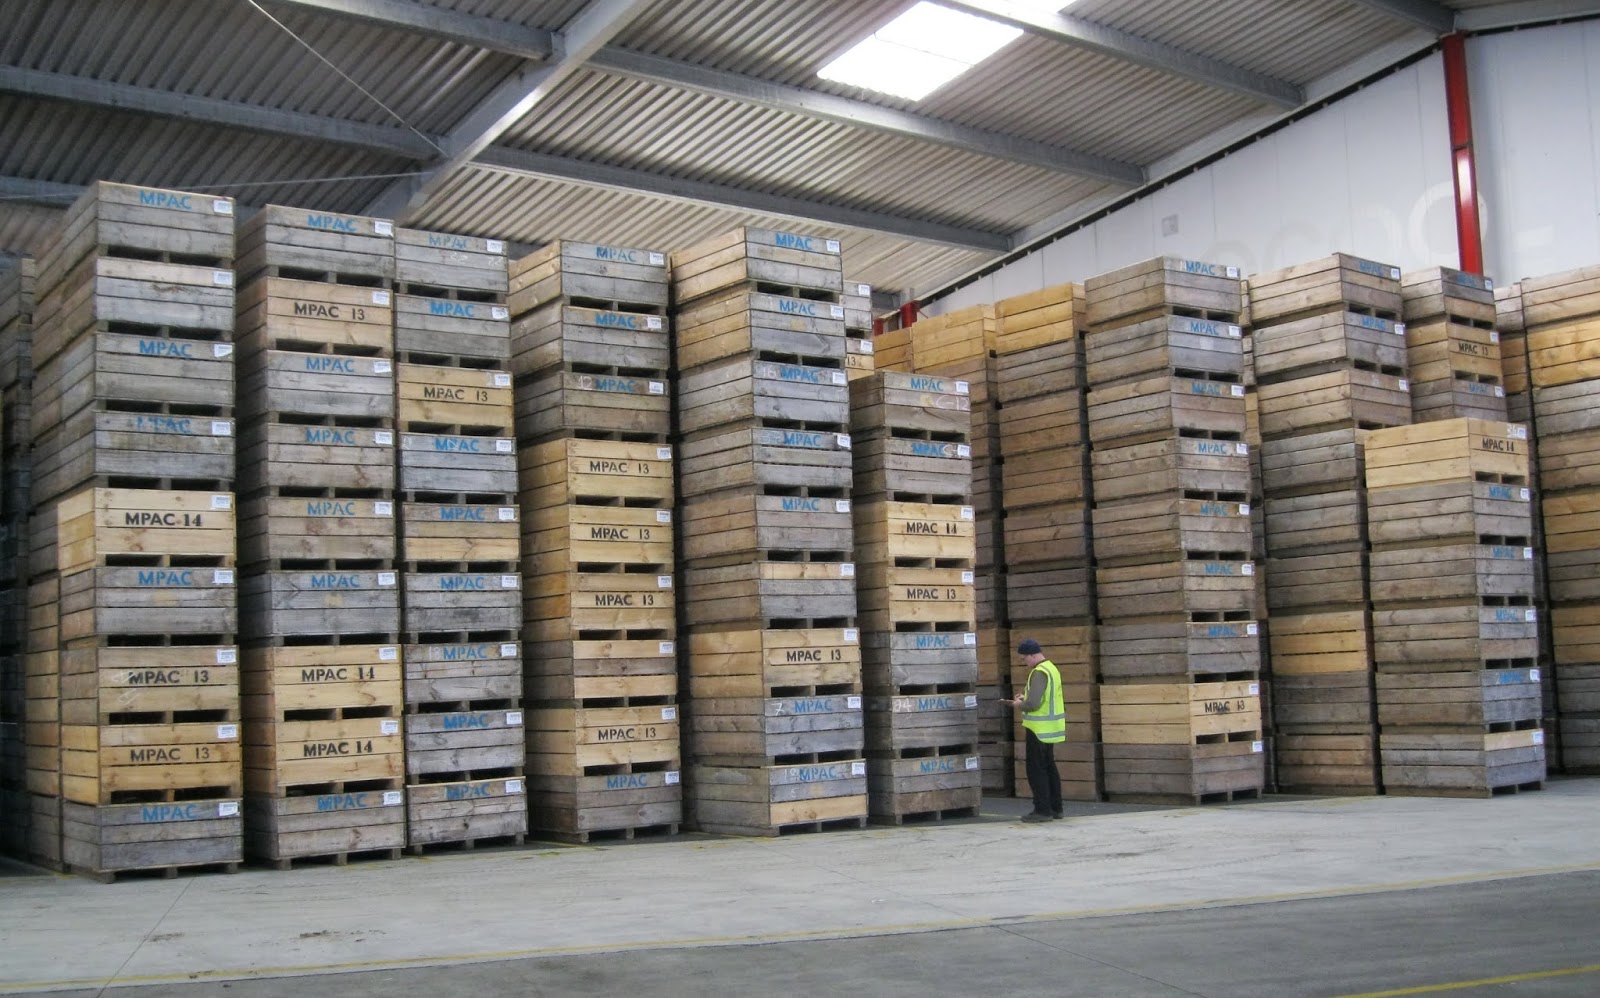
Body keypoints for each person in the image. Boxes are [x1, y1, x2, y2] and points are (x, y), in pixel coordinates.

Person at [1008, 638, 1064, 822]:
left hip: (1038, 729)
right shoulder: (1052, 669)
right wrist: (1027, 696)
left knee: (1036, 769)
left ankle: (1042, 810)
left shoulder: (1039, 672)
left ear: (1033, 655)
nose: (1025, 662)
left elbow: (1033, 704)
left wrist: (1019, 704)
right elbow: (1045, 697)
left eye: (1025, 659)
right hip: (1051, 728)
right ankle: (1056, 808)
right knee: (1049, 767)